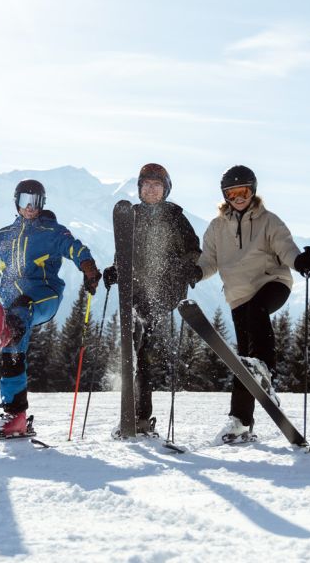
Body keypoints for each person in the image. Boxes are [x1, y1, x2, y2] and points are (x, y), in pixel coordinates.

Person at [0, 179, 101, 437]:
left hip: (43, 298)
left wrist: (88, 267)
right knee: (10, 344)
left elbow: (75, 248)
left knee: (16, 317)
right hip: (12, 306)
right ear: (16, 202)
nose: (29, 207)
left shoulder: (52, 232)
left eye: (35, 201)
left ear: (42, 204)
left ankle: (15, 411)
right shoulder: (4, 236)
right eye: (25, 200)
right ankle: (16, 415)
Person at [196, 165, 310, 443]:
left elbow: (285, 246)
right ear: (225, 195)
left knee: (257, 312)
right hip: (238, 295)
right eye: (233, 193)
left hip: (271, 283)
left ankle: (267, 368)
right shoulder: (216, 227)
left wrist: (300, 262)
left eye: (244, 191)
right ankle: (240, 421)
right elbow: (208, 261)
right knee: (243, 361)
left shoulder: (268, 220)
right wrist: (195, 272)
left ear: (253, 191)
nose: (239, 197)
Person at [102, 163, 201, 436]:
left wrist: (189, 267)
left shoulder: (175, 217)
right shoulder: (131, 215)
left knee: (140, 341)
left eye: (157, 185)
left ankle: (139, 416)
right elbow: (123, 253)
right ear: (140, 189)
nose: (151, 189)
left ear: (165, 190)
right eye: (146, 185)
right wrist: (115, 270)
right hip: (136, 290)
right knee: (137, 350)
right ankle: (137, 417)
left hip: (165, 288)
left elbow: (194, 249)